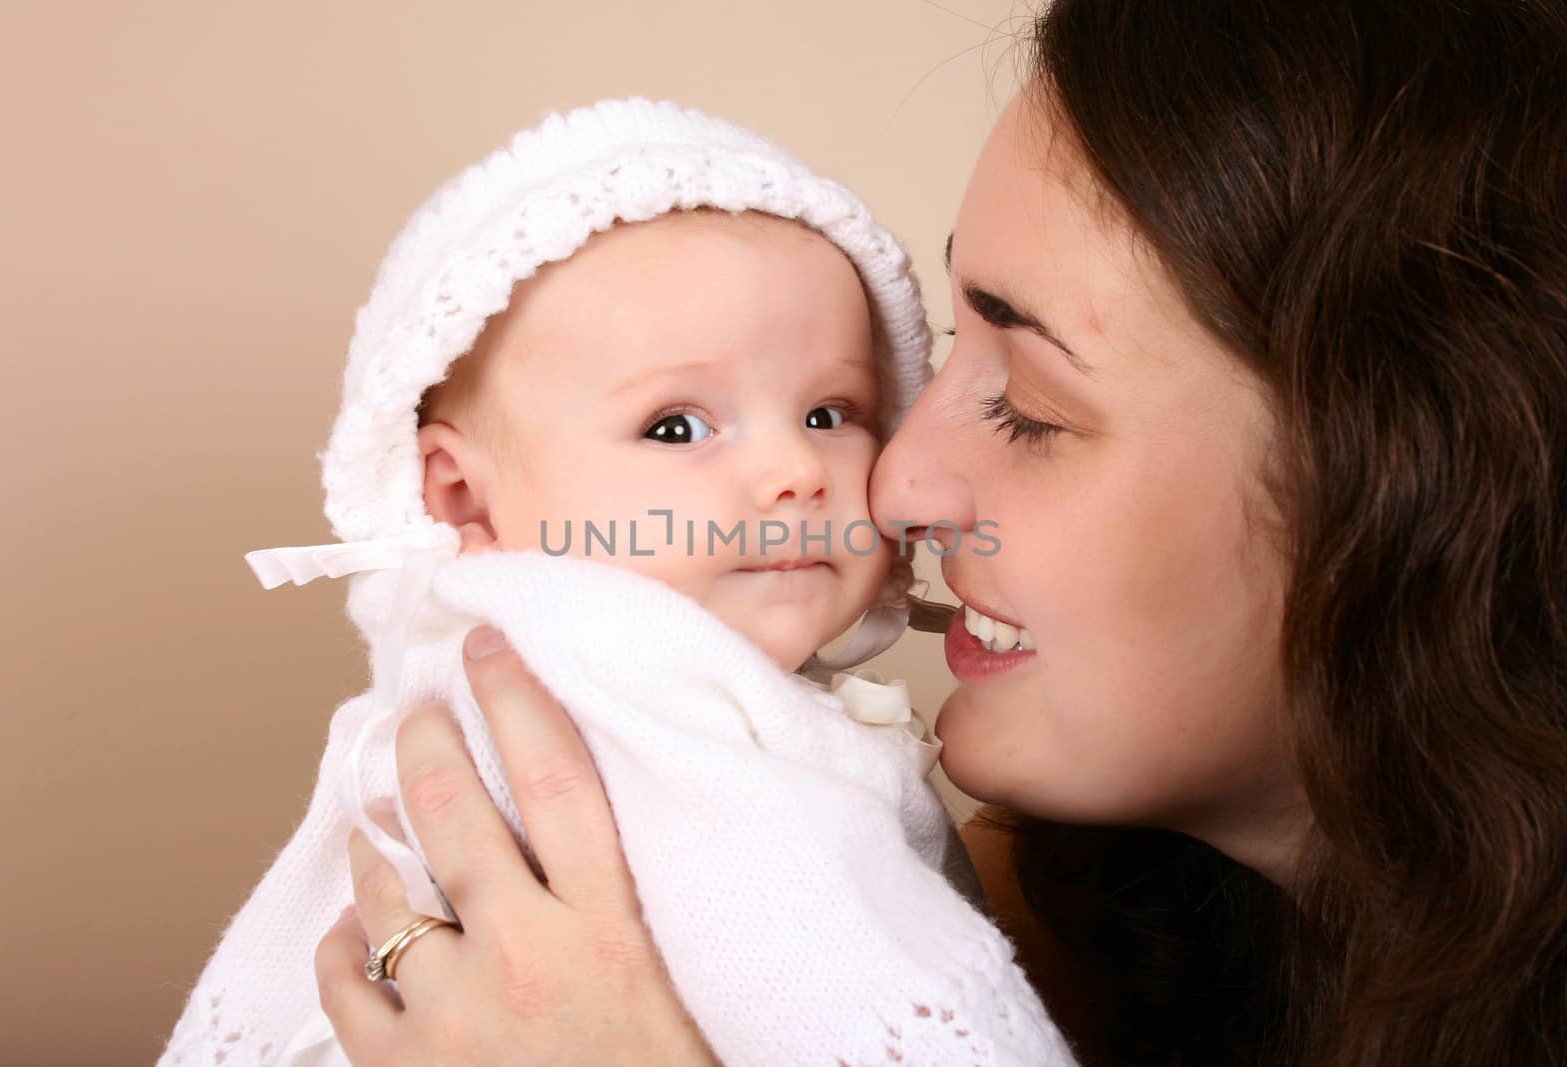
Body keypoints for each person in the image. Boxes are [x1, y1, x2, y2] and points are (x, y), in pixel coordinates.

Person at [311, 2, 1567, 1065]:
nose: (891, 480)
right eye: (946, 347)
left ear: (1417, 473)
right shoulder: (1027, 922)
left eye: (1027, 402)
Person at [158, 99, 1081, 1067]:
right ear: (464, 497)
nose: (795, 472)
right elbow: (878, 990)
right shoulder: (657, 704)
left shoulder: (494, 679)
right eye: (677, 426)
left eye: (828, 411)